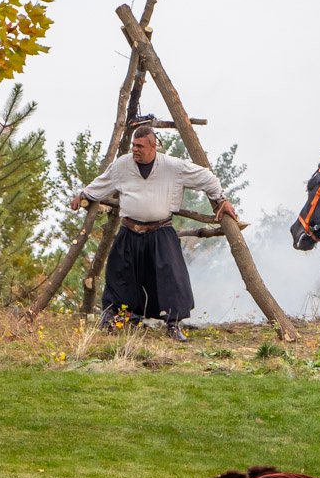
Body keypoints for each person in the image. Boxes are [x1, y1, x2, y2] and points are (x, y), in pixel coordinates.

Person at [70, 126, 236, 341]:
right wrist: (84, 194)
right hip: (129, 231)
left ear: (153, 146)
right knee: (119, 275)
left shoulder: (172, 166)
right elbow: (103, 182)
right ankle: (114, 319)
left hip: (161, 232)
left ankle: (173, 324)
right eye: (133, 145)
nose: (135, 149)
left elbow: (207, 178)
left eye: (140, 146)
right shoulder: (122, 165)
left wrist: (221, 199)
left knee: (171, 278)